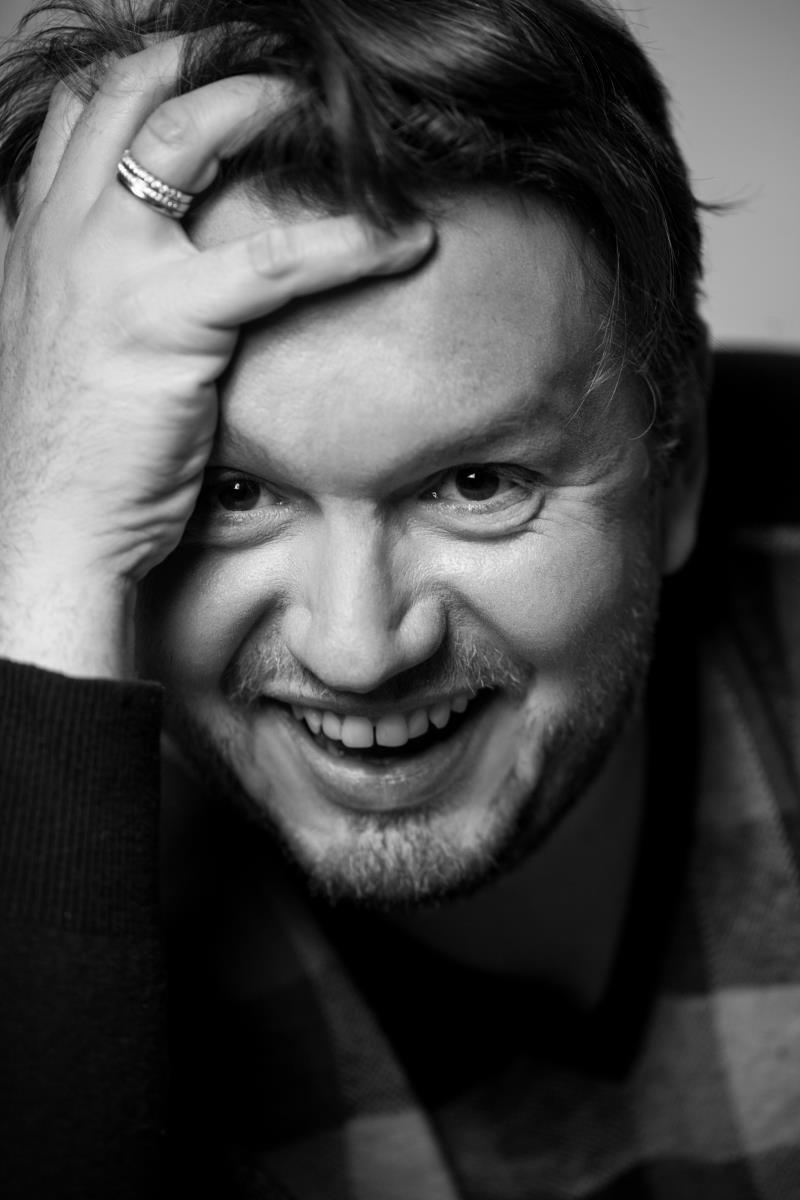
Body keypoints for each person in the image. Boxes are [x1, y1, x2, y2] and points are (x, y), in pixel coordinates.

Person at [1, 0, 798, 1196]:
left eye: (476, 484)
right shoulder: (46, 747)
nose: (360, 651)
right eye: (229, 493)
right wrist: (53, 542)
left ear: (676, 459)